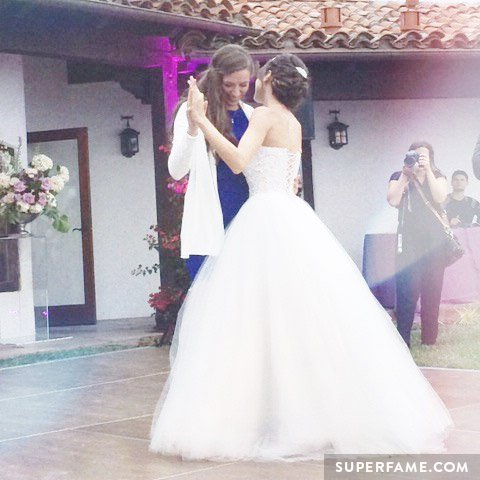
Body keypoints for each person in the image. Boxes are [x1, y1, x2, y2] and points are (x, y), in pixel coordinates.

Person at [150, 55, 452, 461]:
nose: (249, 86)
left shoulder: (263, 117)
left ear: (269, 78)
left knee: (249, 320)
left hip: (262, 217)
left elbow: (239, 162)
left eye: (255, 79)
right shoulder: (291, 121)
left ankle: (265, 415)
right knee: (299, 319)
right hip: (289, 215)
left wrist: (202, 121)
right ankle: (303, 412)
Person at [167, 44, 255, 279]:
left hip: (248, 216)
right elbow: (176, 170)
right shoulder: (192, 111)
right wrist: (194, 126)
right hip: (210, 215)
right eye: (229, 85)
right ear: (217, 79)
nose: (236, 93)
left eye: (243, 85)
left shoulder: (251, 115)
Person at [387, 143, 449, 347]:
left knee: (432, 290)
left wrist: (428, 171)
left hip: (434, 243)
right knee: (406, 290)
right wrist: (406, 175)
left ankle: (429, 339)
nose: (420, 159)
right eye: (416, 155)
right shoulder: (399, 175)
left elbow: (440, 197)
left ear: (431, 157)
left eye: (424, 155)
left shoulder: (438, 175)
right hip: (408, 243)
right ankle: (403, 339)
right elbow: (393, 200)